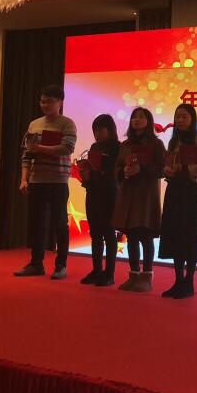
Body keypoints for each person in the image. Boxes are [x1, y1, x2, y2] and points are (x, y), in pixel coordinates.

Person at [14, 85, 77, 280]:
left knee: (60, 223)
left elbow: (66, 148)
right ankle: (36, 264)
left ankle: (61, 265)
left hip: (58, 180)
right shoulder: (34, 124)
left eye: (49, 101)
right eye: (42, 101)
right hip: (36, 179)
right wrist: (24, 179)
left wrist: (39, 148)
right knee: (37, 223)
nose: (45, 105)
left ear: (60, 102)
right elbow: (26, 154)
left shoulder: (67, 124)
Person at [158, 104, 197, 299]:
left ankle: (189, 283)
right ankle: (178, 281)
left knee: (189, 236)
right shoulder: (173, 141)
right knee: (174, 235)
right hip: (174, 190)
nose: (180, 120)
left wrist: (187, 169)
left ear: (192, 119)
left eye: (184, 116)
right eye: (177, 117)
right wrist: (167, 170)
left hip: (190, 192)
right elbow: (167, 163)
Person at [112, 107, 166, 292]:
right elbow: (116, 168)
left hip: (147, 196)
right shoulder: (126, 145)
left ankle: (147, 276)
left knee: (146, 236)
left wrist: (142, 170)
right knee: (132, 236)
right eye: (134, 117)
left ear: (148, 121)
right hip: (129, 195)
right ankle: (134, 276)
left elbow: (163, 168)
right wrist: (123, 171)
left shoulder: (156, 144)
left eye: (141, 117)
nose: (136, 119)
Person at [78, 114, 121, 287]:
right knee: (95, 234)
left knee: (109, 234)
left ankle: (109, 273)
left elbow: (115, 175)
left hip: (109, 194)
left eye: (100, 129)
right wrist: (85, 174)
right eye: (94, 129)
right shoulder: (94, 147)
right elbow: (92, 169)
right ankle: (96, 270)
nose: (97, 133)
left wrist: (97, 173)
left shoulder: (118, 147)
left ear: (110, 129)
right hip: (93, 192)